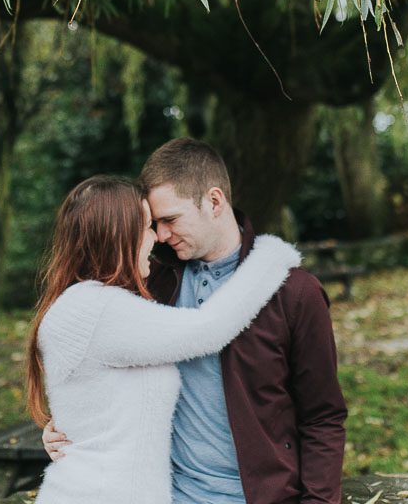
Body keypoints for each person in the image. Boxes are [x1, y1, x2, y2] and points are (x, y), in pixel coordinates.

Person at [45, 139, 348, 504]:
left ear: (215, 202)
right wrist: (67, 428)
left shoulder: (294, 293)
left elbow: (323, 416)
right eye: (154, 224)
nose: (160, 236)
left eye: (171, 220)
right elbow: (92, 362)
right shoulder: (149, 283)